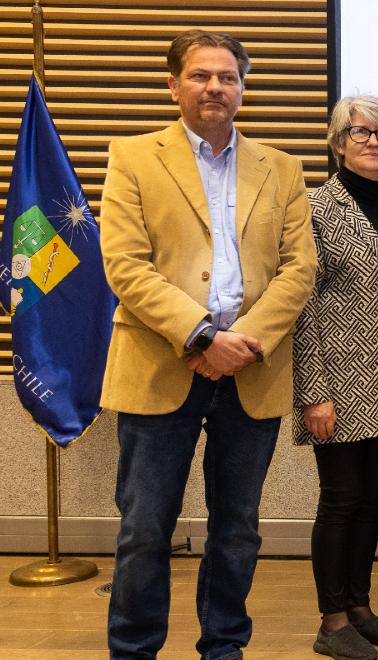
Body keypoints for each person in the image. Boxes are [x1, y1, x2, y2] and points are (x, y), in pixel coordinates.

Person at [99, 29, 316, 659]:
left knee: (238, 531)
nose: (214, 87)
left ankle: (224, 646)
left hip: (251, 369)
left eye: (227, 76)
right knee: (144, 528)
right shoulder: (134, 156)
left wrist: (240, 343)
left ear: (243, 88)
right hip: (159, 363)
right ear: (174, 85)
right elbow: (125, 264)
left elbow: (298, 269)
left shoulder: (282, 167)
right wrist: (200, 336)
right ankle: (133, 650)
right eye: (200, 75)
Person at [292, 95, 378, 659]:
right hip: (339, 387)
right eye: (362, 132)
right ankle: (331, 621)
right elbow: (302, 305)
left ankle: (360, 608)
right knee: (341, 501)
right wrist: (313, 393)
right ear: (338, 141)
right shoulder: (316, 209)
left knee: (373, 502)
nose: (375, 142)